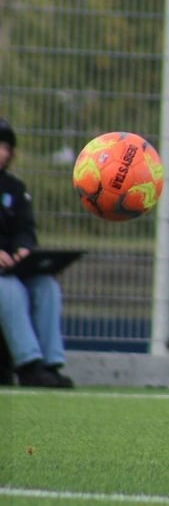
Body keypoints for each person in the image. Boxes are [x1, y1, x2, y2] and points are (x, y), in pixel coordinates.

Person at [0, 118, 74, 388]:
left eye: (7, 147)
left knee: (46, 285)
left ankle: (49, 363)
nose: (3, 153)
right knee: (7, 288)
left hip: (10, 268)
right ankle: (27, 364)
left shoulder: (15, 189)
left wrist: (23, 249)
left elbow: (24, 228)